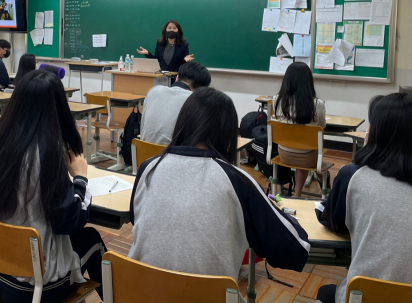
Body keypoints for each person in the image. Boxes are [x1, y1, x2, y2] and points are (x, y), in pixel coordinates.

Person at [129, 87, 310, 296]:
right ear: (228, 133)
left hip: (140, 294)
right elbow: (295, 250)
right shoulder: (236, 181)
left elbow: (138, 221)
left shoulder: (148, 168)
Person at [0, 70, 105, 303]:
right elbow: (69, 222)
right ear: (58, 107)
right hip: (33, 290)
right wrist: (80, 178)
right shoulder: (46, 154)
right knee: (91, 238)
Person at [315, 93, 412, 303]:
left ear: (378, 134)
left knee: (325, 293)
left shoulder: (354, 176)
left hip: (363, 296)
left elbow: (336, 224)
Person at [273, 62, 326, 197]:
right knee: (309, 147)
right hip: (308, 157)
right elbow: (322, 127)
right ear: (308, 81)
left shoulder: (277, 101)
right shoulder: (317, 104)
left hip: (283, 153)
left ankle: (290, 193)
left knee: (299, 145)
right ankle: (300, 193)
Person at [140, 61, 211, 145]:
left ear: (177, 77)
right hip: (173, 156)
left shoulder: (154, 91)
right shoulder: (196, 100)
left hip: (143, 153)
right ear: (202, 89)